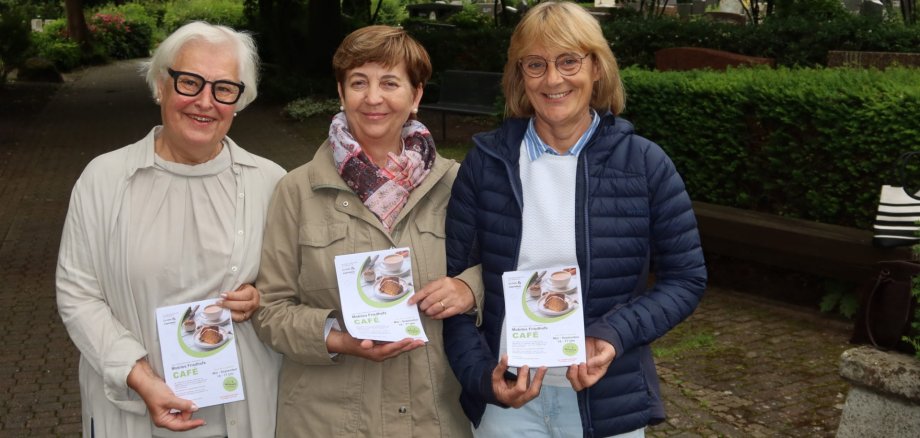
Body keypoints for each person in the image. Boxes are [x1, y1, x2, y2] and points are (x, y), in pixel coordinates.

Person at [442, 2, 708, 437]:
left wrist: (613, 334)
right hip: (509, 403)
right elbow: (455, 291)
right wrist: (480, 377)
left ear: (597, 68)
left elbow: (687, 278)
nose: (553, 78)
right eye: (536, 64)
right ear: (519, 76)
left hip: (606, 401)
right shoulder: (486, 165)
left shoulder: (645, 165)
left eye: (569, 60)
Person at [55, 21, 284, 437]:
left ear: (239, 99)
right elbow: (78, 294)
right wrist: (137, 374)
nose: (205, 101)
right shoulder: (104, 179)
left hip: (244, 407)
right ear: (161, 85)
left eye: (223, 88)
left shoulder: (270, 182)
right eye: (190, 82)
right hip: (135, 409)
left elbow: (293, 284)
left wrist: (260, 297)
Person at [252, 25, 477, 437]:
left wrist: (470, 288)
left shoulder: (458, 185)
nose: (373, 98)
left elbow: (499, 266)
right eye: (359, 82)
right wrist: (337, 338)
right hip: (328, 421)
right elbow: (269, 310)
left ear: (416, 95)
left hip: (435, 417)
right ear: (341, 93)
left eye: (390, 82)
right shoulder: (297, 191)